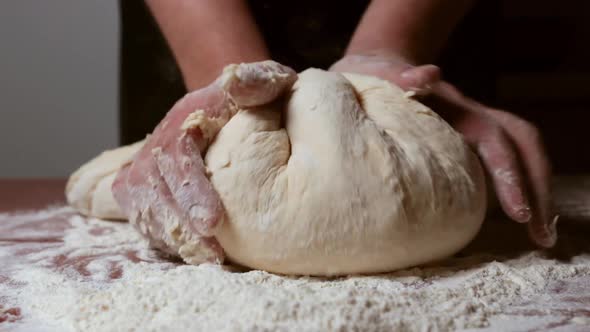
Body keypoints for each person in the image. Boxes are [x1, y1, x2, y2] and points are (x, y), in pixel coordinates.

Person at [113, 0, 557, 262]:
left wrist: (391, 45)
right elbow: (230, 89)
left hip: (422, 61)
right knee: (184, 180)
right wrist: (224, 74)